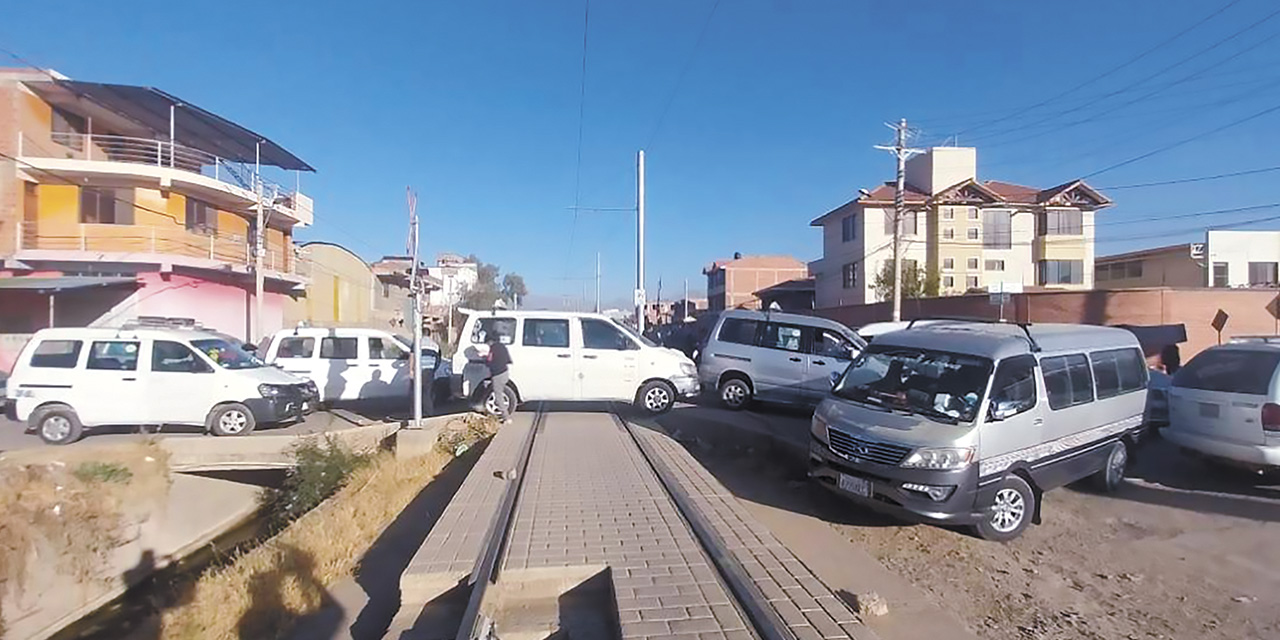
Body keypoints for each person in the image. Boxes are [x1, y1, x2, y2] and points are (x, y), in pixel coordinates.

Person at [486, 333, 513, 424]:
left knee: (498, 396)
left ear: (490, 341)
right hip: (505, 373)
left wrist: (484, 358)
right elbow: (509, 360)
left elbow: (489, 361)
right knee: (501, 393)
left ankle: (506, 417)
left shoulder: (493, 348)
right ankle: (505, 416)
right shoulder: (503, 347)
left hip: (497, 375)